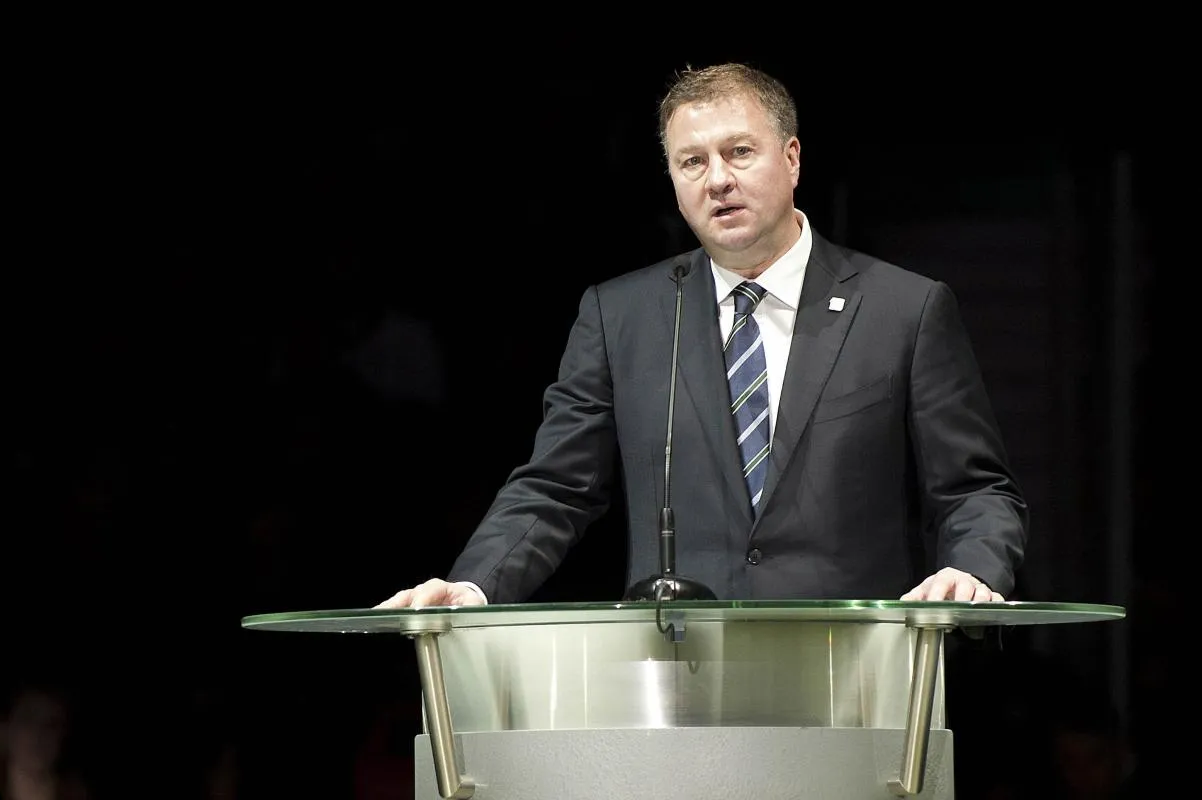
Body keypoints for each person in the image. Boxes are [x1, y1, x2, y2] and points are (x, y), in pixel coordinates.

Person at [377, 62, 1027, 610]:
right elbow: (556, 487)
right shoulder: (622, 316)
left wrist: (972, 572)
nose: (717, 178)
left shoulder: (903, 309)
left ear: (792, 158)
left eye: (739, 152)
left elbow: (974, 489)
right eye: (692, 161)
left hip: (856, 673)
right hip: (676, 675)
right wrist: (474, 582)